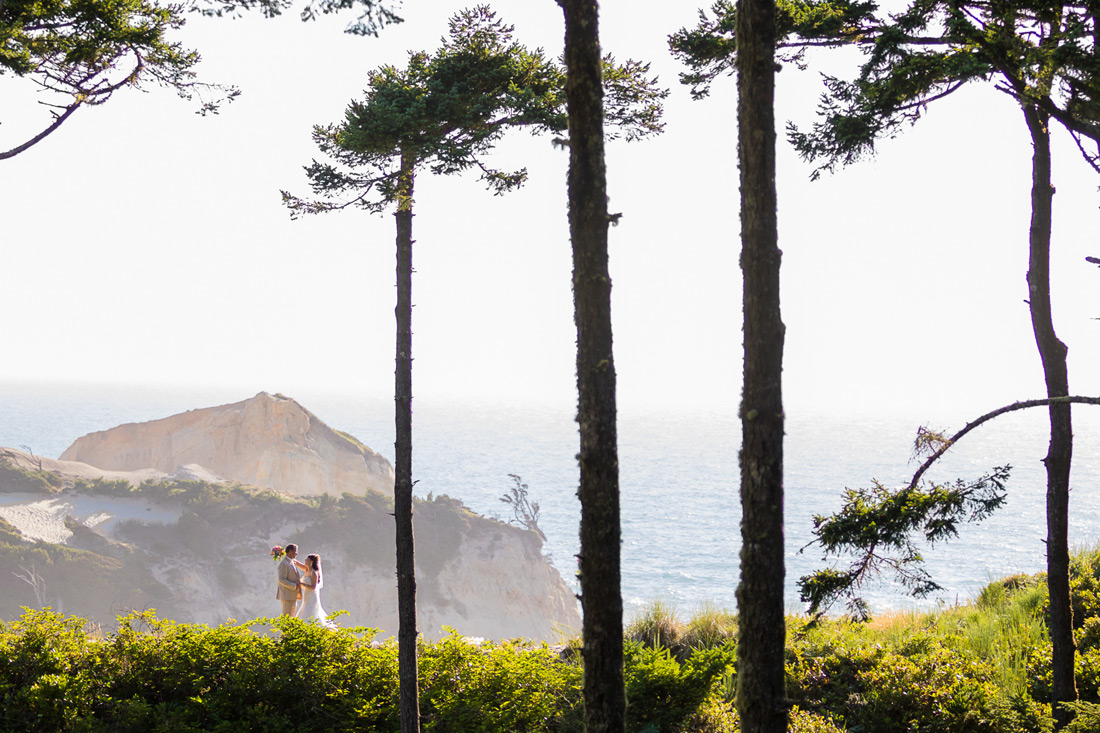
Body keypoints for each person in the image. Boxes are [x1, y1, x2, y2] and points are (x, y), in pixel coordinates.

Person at [296, 553, 336, 629]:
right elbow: (298, 564)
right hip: (306, 596)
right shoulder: (307, 570)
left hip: (312, 596)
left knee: (310, 611)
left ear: (311, 561)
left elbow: (313, 587)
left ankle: (311, 628)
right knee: (305, 609)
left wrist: (301, 584)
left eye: (307, 559)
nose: (305, 560)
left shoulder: (314, 573)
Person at [276, 543, 308, 616]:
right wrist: (294, 586)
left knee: (291, 617)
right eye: (295, 552)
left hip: (291, 595)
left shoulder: (291, 562)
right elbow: (281, 579)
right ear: (290, 551)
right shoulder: (284, 563)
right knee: (287, 617)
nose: (296, 554)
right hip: (287, 595)